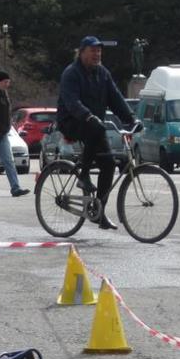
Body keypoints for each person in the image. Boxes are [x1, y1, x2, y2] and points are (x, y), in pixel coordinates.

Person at [56, 35, 137, 230]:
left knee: (108, 164)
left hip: (95, 123)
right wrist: (87, 115)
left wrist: (132, 118)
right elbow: (71, 101)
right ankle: (83, 174)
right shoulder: (71, 73)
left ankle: (98, 211)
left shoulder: (103, 73)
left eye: (99, 51)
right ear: (82, 52)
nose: (97, 54)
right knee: (94, 128)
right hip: (72, 121)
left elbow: (115, 98)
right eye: (93, 50)